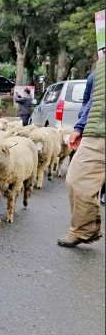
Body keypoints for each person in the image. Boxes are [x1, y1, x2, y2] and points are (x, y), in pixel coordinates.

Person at [57, 54, 105, 248]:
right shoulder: (100, 68)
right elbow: (92, 102)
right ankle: (85, 230)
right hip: (95, 133)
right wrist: (79, 128)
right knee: (75, 180)